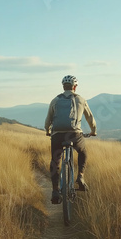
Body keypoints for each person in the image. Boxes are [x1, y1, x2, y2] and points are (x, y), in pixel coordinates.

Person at [45, 75, 97, 204]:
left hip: (57, 135)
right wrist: (93, 131)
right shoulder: (81, 99)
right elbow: (90, 118)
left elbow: (48, 120)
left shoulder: (55, 100)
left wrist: (47, 131)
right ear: (75, 87)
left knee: (55, 161)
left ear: (63, 86)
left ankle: (55, 190)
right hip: (74, 134)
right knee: (82, 152)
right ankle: (80, 176)